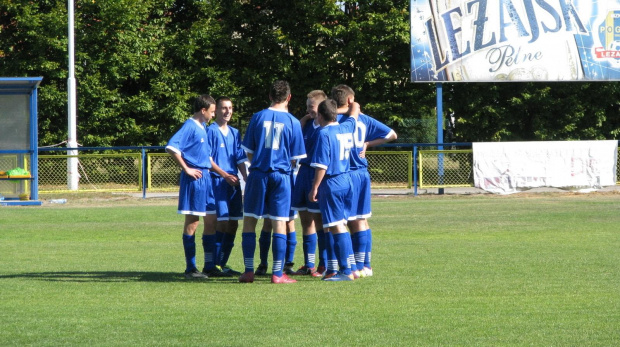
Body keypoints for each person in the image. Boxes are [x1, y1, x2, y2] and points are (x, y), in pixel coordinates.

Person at [238, 80, 307, 284]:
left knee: (250, 220)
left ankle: (248, 271)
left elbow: (248, 152)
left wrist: (260, 163)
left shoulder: (257, 117)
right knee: (279, 223)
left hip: (258, 173)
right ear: (289, 97)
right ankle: (277, 274)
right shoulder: (293, 122)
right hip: (281, 176)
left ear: (269, 96)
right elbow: (296, 158)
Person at [165, 94, 236, 279]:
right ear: (203, 110)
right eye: (212, 111)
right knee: (193, 222)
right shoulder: (190, 126)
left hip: (207, 180)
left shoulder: (203, 127)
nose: (213, 115)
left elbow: (207, 157)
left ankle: (210, 265)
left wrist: (223, 174)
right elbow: (171, 147)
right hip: (195, 179)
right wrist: (187, 169)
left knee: (211, 221)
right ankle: (190, 268)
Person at [331, 85, 397, 278]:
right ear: (351, 100)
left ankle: (351, 266)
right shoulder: (363, 119)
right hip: (362, 173)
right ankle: (365, 265)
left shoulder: (333, 121)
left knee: (343, 222)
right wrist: (368, 142)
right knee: (362, 220)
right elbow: (392, 135)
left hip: (343, 174)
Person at [309, 98, 360, 281]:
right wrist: (341, 108)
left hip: (332, 182)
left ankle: (345, 271)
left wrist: (314, 187)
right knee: (342, 224)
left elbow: (321, 165)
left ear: (321, 115)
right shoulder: (346, 127)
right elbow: (355, 108)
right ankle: (352, 268)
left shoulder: (323, 133)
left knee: (336, 226)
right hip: (347, 180)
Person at [206, 97, 248, 276]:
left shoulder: (235, 132)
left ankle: (222, 263)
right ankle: (213, 265)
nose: (228, 111)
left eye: (230, 108)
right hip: (218, 183)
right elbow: (207, 159)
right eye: (224, 108)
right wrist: (224, 175)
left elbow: (239, 158)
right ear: (216, 111)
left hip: (234, 185)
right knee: (221, 223)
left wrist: (247, 178)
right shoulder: (211, 131)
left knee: (233, 224)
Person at [290, 90, 329, 277]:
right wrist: (302, 122)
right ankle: (308, 264)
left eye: (311, 107)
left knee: (320, 221)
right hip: (302, 173)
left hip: (316, 175)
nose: (308, 110)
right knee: (305, 221)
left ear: (321, 108)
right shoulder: (304, 125)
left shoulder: (326, 128)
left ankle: (323, 264)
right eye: (307, 107)